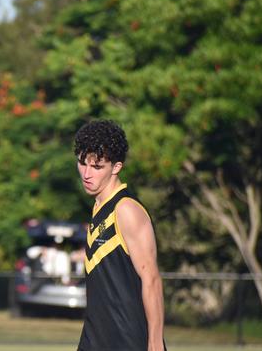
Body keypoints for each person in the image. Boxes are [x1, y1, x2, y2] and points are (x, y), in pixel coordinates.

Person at [74, 120, 166, 351]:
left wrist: (155, 342)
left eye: (97, 167)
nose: (86, 173)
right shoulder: (98, 209)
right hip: (95, 338)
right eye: (82, 163)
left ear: (116, 167)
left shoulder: (126, 209)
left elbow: (151, 279)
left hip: (128, 340)